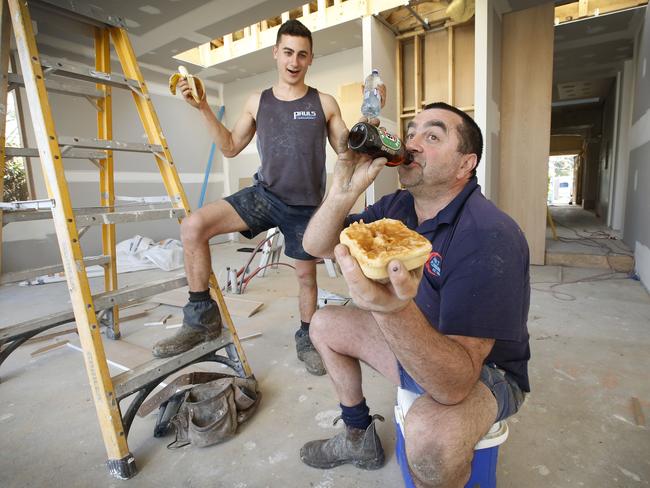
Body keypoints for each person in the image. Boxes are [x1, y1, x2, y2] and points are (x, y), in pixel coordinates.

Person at [298, 103, 530, 487]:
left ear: (465, 164)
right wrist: (343, 191)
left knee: (430, 442)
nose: (413, 143)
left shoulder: (489, 235)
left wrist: (390, 311)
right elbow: (316, 245)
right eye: (411, 133)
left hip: (483, 372)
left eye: (433, 136)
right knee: (323, 324)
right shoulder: (398, 207)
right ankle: (358, 437)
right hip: (416, 343)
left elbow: (455, 384)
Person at [152, 20, 382, 377]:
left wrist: (368, 127)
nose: (294, 61)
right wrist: (202, 108)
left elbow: (346, 148)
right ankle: (201, 319)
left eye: (302, 55)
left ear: (310, 60)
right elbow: (229, 147)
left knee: (306, 278)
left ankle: (307, 337)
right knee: (193, 226)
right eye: (287, 52)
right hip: (264, 195)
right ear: (276, 53)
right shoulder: (257, 101)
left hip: (306, 206)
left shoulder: (323, 102)